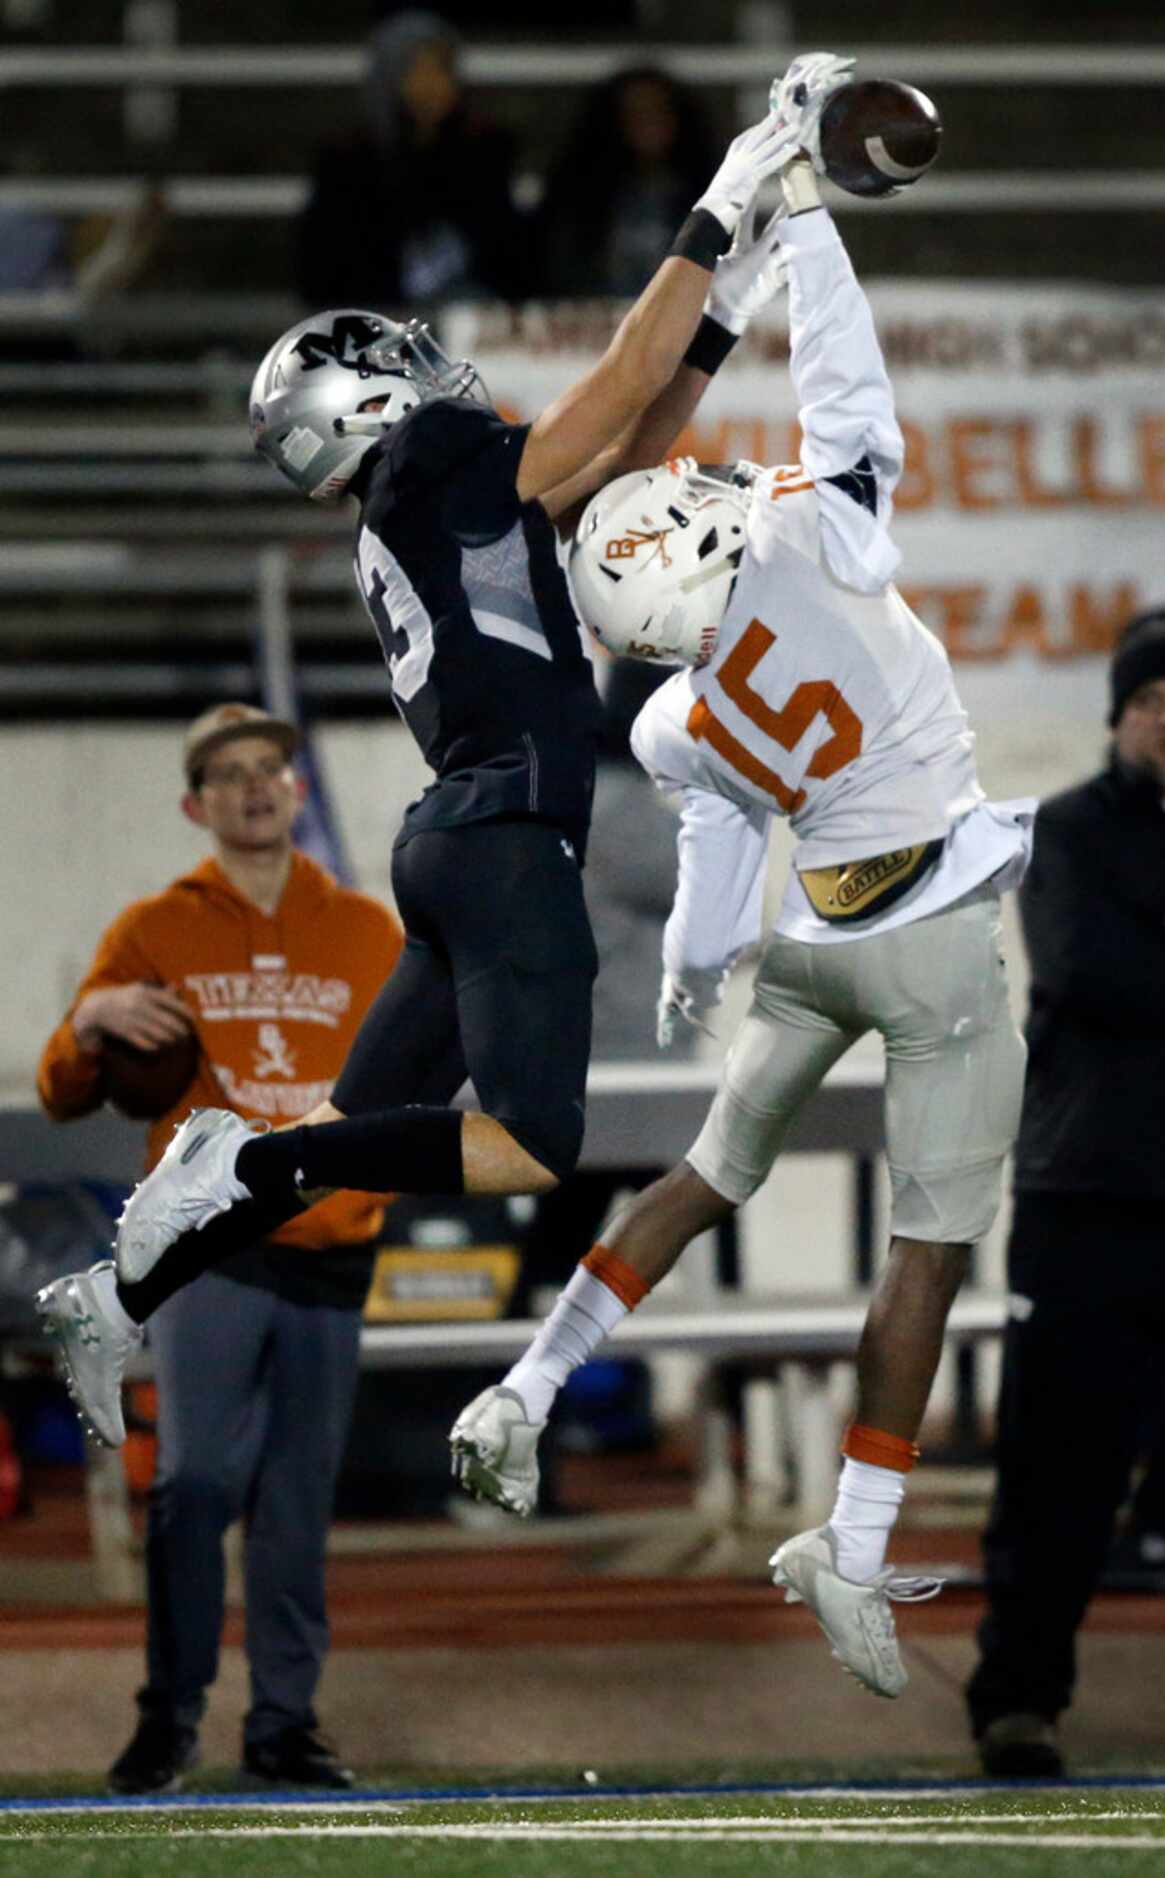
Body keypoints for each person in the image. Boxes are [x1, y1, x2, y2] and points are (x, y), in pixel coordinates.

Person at [36, 77, 811, 1451]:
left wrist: (733, 300)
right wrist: (721, 196)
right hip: (507, 834)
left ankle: (114, 1289)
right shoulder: (440, 456)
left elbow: (632, 443)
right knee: (526, 1145)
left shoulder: (409, 507)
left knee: (353, 1128)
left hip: (461, 834)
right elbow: (622, 386)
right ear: (368, 395)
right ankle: (239, 1152)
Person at [448, 80, 1035, 1703]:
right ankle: (851, 1539)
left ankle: (527, 1382)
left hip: (812, 939)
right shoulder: (817, 541)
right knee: (926, 1253)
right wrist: (816, 228)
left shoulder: (670, 706)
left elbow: (714, 839)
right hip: (927, 936)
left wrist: (695, 973)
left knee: (708, 1171)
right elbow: (856, 399)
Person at [36, 702, 402, 1794]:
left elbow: (419, 1078)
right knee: (193, 1484)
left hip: (334, 1248)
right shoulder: (156, 928)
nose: (255, 787)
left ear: (296, 791)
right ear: (196, 804)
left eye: (272, 770)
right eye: (230, 774)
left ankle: (284, 1723)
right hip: (208, 1252)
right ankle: (170, 1716)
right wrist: (93, 1014)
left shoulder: (370, 932)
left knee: (295, 1506)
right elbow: (63, 1091)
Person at [965, 609, 1165, 1776]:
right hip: (1091, 1204)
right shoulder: (1069, 833)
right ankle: (1019, 1700)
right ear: (1117, 716)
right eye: (1144, 694)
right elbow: (1091, 968)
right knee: (1058, 1475)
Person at [298, 11, 529, 311]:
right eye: (415, 70)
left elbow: (506, 255)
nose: (430, 85)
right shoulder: (349, 161)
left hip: (468, 320)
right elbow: (326, 264)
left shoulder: (484, 153)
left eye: (439, 70)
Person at [536, 65, 719, 299]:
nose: (647, 125)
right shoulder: (578, 199)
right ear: (612, 122)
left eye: (657, 111)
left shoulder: (708, 192)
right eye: (634, 113)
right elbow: (563, 275)